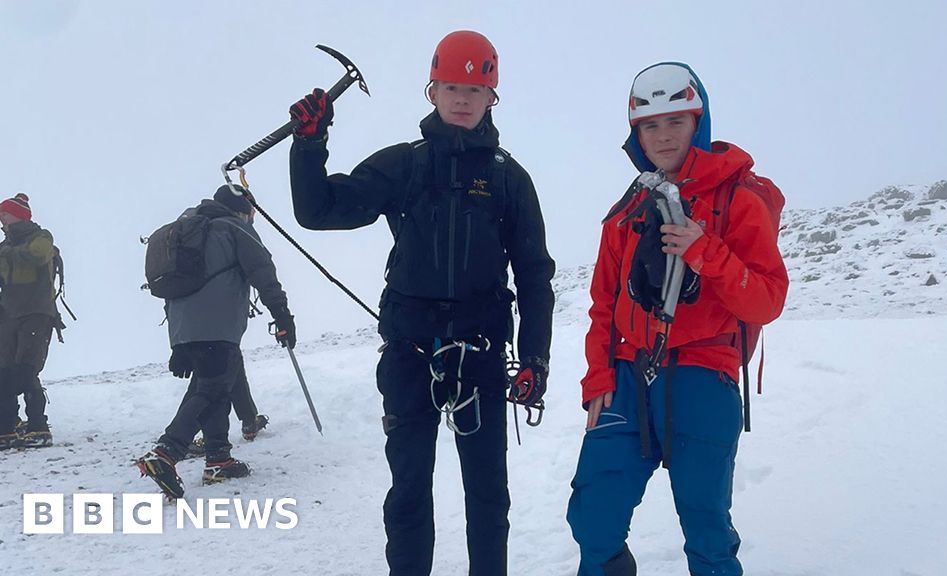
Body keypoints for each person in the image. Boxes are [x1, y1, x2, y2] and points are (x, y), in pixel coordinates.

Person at [289, 30, 555, 576]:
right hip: (409, 357)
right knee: (408, 493)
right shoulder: (403, 166)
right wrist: (309, 145)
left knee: (487, 497)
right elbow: (318, 210)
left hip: (481, 357)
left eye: (474, 89)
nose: (462, 98)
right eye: (451, 86)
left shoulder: (508, 179)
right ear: (431, 91)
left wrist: (535, 358)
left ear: (492, 97)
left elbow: (534, 277)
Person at [567, 62, 789, 575]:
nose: (662, 136)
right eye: (649, 125)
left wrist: (705, 251)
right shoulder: (627, 210)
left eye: (675, 121)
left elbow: (766, 300)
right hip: (626, 376)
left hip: (703, 378)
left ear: (699, 123)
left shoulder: (741, 199)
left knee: (706, 528)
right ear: (635, 134)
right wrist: (598, 374)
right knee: (593, 519)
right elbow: (603, 303)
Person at [136, 185, 294, 499]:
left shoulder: (188, 231)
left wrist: (177, 343)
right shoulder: (235, 228)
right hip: (218, 324)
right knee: (212, 388)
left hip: (184, 327)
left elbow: (174, 286)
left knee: (217, 382)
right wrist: (282, 313)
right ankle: (167, 451)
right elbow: (263, 271)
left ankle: (218, 459)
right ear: (240, 209)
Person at [0, 193, 60, 450]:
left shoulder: (42, 238)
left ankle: (38, 426)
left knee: (26, 368)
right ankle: (8, 425)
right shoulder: (5, 246)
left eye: (5, 214)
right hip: (7, 314)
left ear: (19, 215)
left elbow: (37, 255)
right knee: (5, 368)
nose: (2, 219)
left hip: (36, 312)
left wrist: (7, 254)